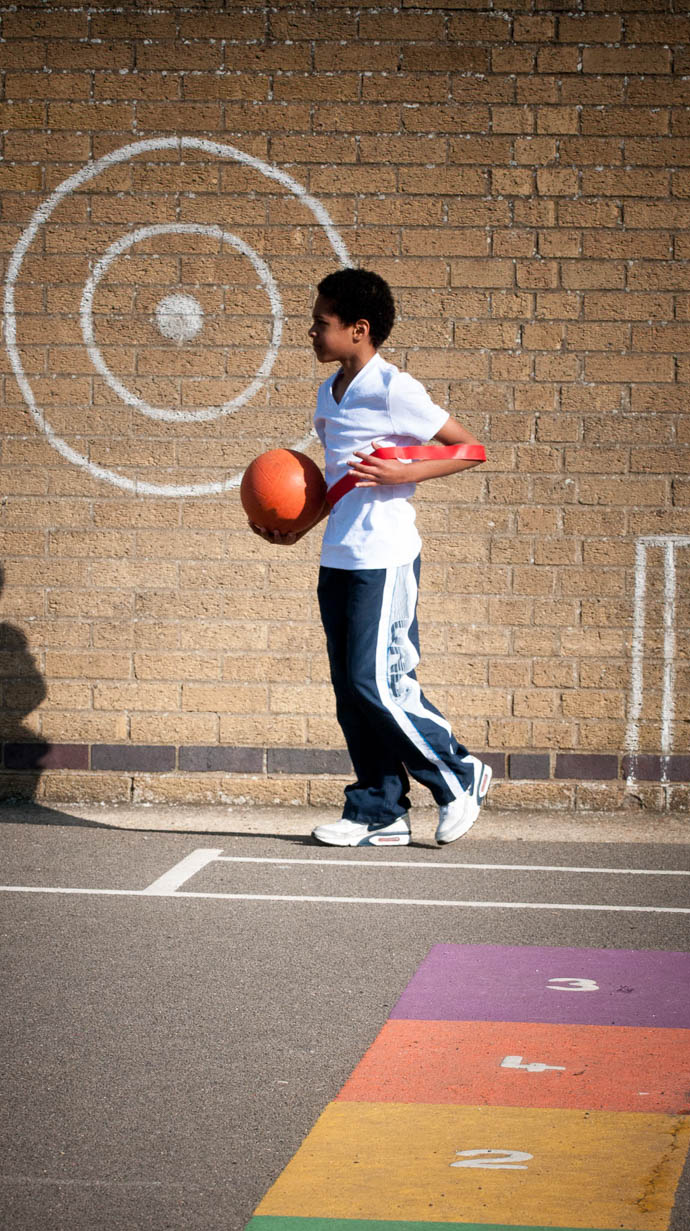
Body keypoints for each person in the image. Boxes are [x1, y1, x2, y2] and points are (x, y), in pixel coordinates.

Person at [248, 266, 491, 848]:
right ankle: (379, 809)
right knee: (351, 690)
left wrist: (402, 468)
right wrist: (300, 529)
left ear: (359, 329)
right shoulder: (327, 396)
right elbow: (339, 484)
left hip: (385, 557)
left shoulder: (393, 388)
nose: (310, 332)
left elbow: (471, 449)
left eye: (320, 323)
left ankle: (460, 773)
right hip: (339, 558)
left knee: (377, 683)